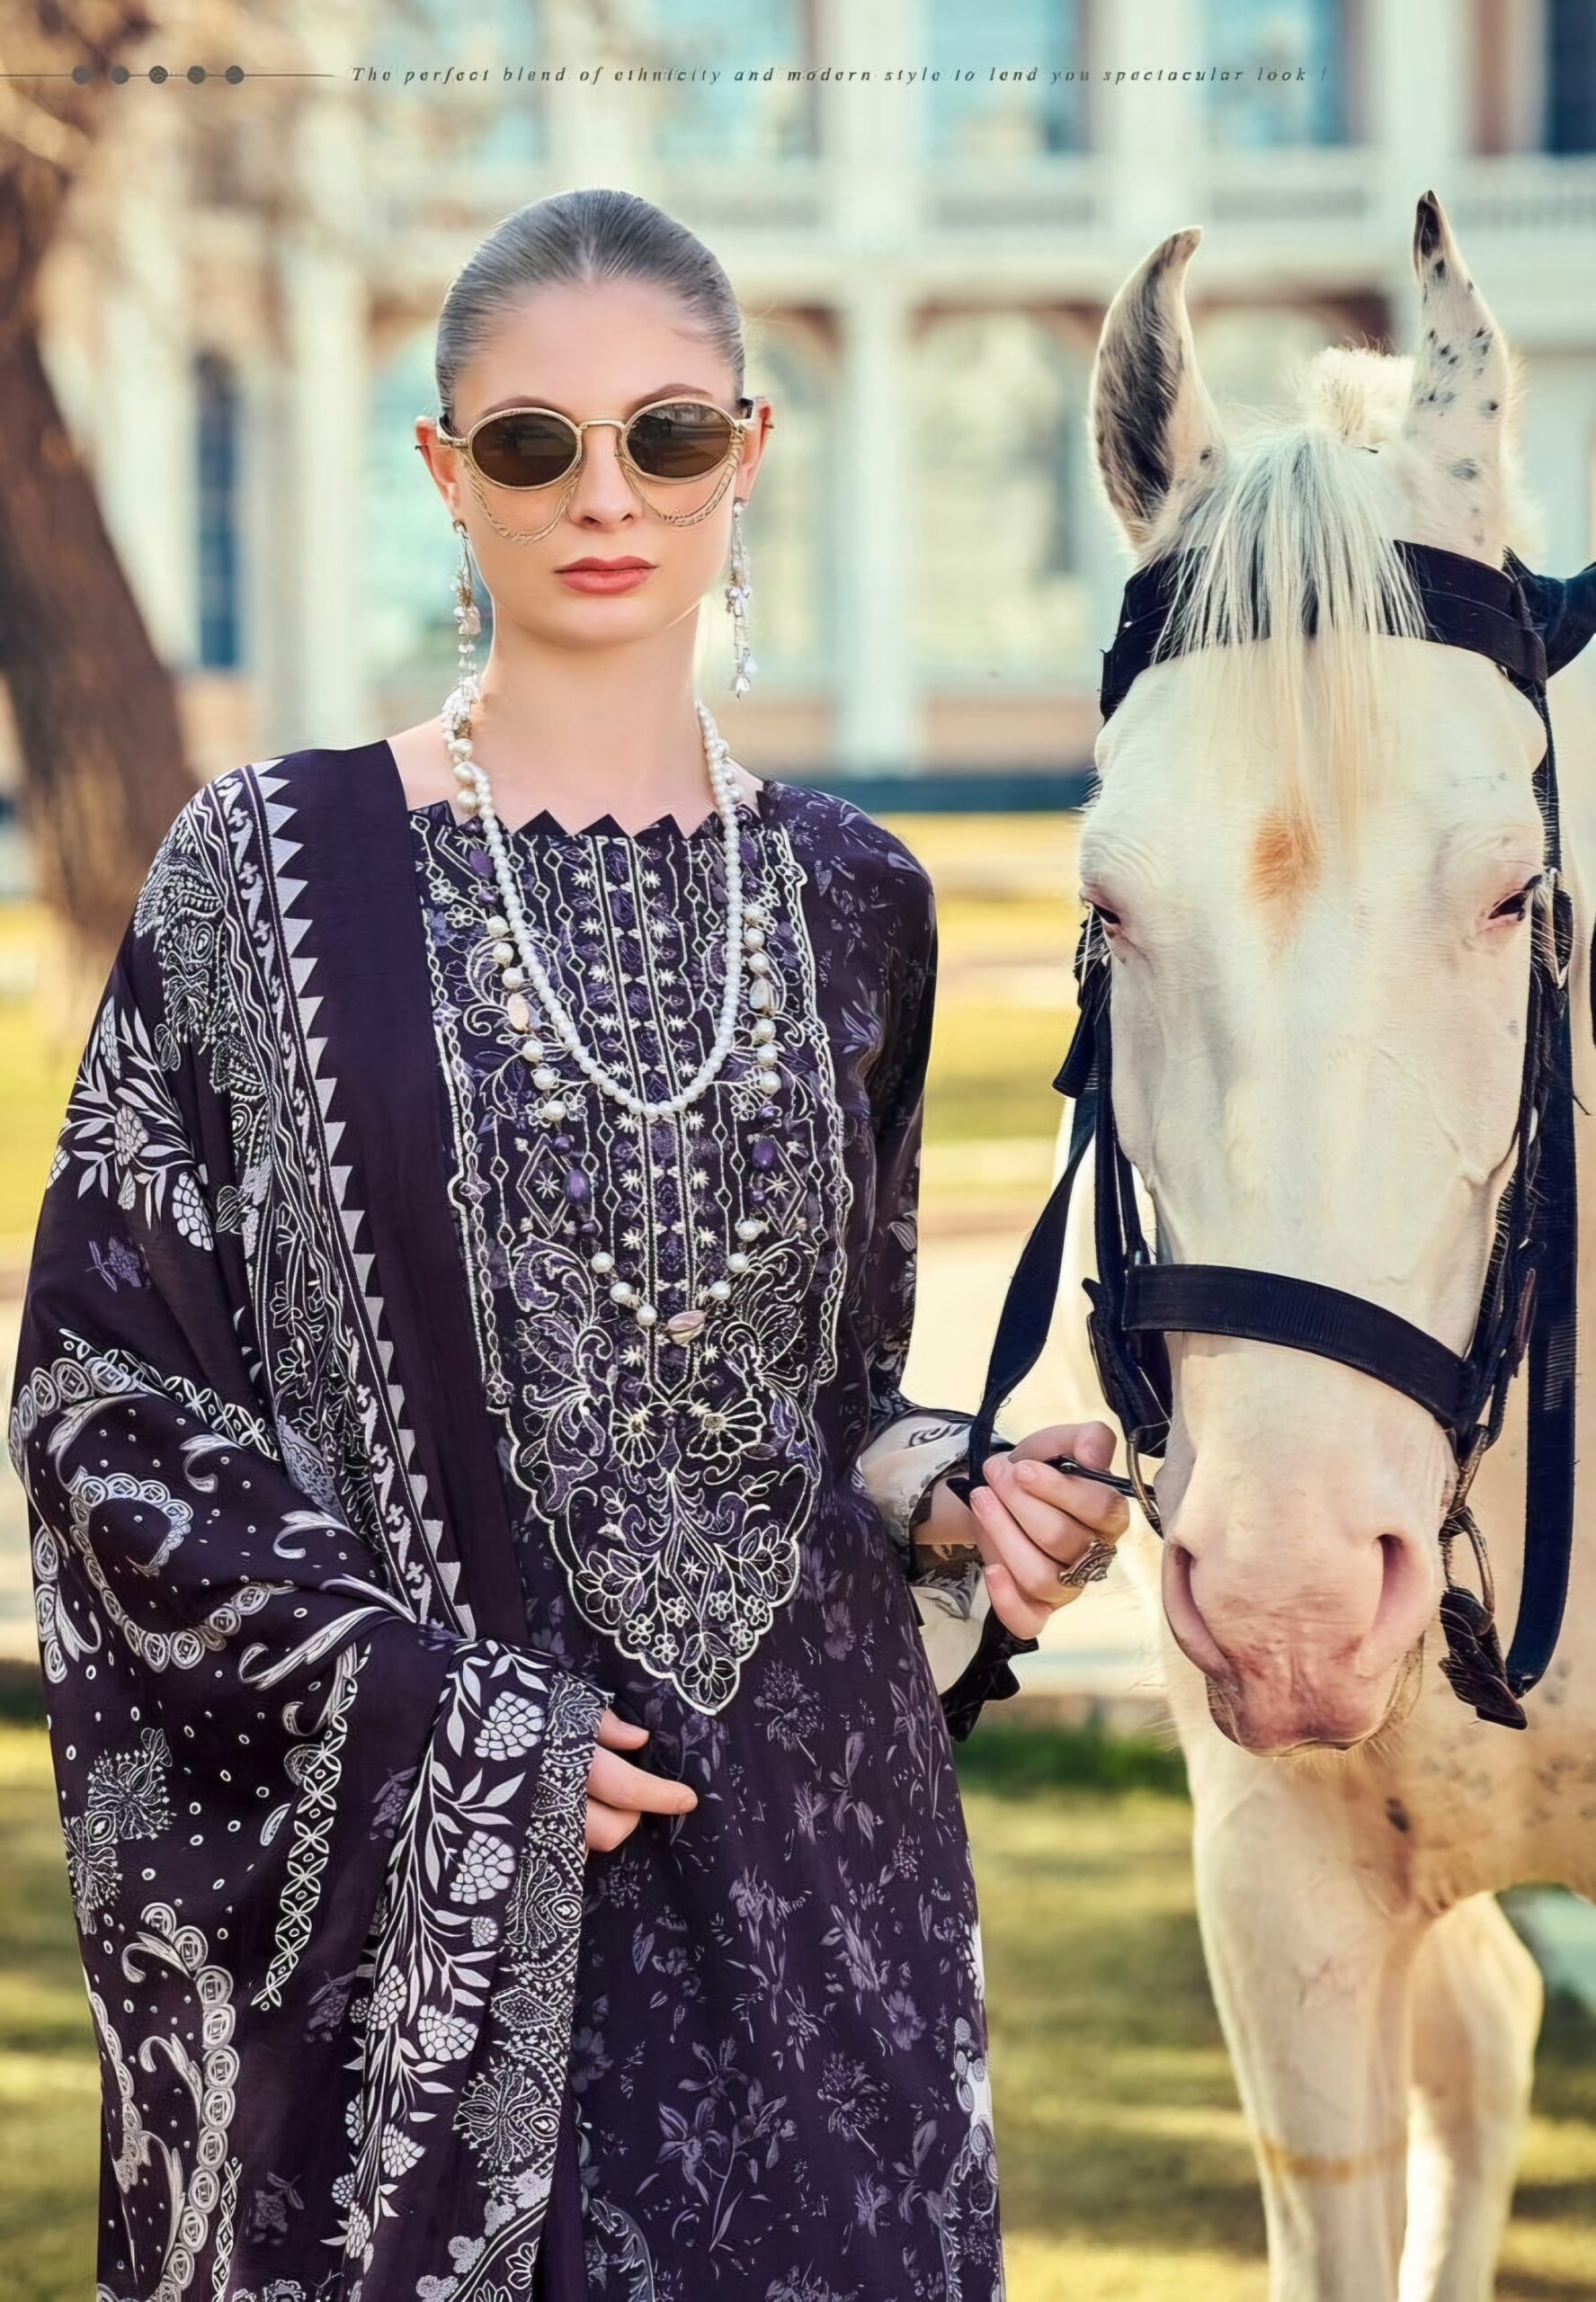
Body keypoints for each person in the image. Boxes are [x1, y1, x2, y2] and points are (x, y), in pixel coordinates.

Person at [7, 187, 1128, 2302]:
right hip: (431, 1945)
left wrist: (954, 1485)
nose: (605, 495)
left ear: (747, 451)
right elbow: (104, 1404)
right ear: (446, 471)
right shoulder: (268, 875)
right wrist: (435, 1714)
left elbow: (819, 1392)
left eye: (667, 436)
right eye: (535, 444)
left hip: (826, 1901)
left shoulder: (857, 899)